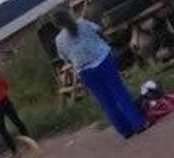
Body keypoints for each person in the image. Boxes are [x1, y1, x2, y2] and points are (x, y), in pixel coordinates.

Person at [52, 9, 147, 139]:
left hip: (85, 72)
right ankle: (138, 124)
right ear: (68, 15)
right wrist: (105, 43)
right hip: (103, 60)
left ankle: (125, 131)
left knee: (106, 102)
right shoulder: (82, 23)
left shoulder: (59, 40)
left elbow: (66, 58)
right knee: (120, 93)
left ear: (57, 24)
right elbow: (99, 31)